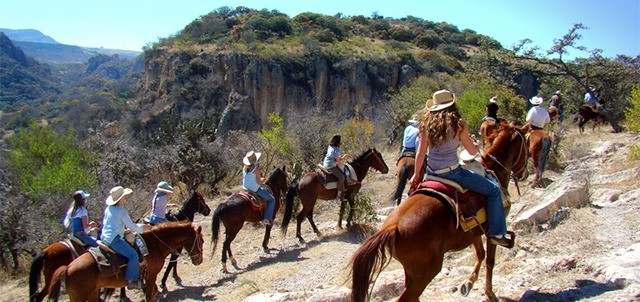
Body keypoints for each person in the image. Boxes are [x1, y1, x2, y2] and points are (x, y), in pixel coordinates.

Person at [409, 89, 512, 248]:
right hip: (453, 173)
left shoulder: (426, 125)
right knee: (493, 190)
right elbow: (471, 151)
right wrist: (477, 146)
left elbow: (421, 153)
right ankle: (497, 233)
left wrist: (416, 176)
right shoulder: (458, 124)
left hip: (431, 174)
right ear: (452, 105)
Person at [101, 186, 151, 290]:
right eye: (124, 196)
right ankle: (131, 281)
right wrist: (143, 228)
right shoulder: (121, 211)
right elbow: (131, 226)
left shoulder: (108, 208)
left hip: (104, 237)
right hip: (114, 240)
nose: (125, 198)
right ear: (120, 198)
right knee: (133, 256)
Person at [242, 150, 276, 226]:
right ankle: (266, 219)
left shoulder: (244, 168)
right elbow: (259, 183)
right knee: (272, 199)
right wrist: (263, 180)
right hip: (255, 189)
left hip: (245, 189)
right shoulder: (255, 169)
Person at [323, 134, 349, 202]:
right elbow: (339, 160)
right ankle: (338, 195)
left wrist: (340, 156)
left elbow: (335, 157)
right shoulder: (336, 149)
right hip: (331, 165)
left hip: (325, 163)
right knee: (342, 177)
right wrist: (344, 156)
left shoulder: (330, 146)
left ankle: (343, 192)